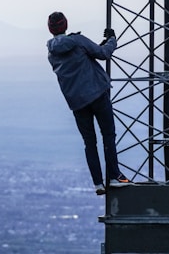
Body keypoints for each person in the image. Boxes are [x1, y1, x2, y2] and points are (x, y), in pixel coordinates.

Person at [46, 11, 131, 195]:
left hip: (77, 103)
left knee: (89, 142)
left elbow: (79, 60)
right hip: (98, 94)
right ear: (66, 24)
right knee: (108, 135)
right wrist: (112, 40)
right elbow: (103, 54)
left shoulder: (52, 54)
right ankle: (114, 176)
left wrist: (94, 48)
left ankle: (98, 183)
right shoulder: (78, 40)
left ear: (50, 29)